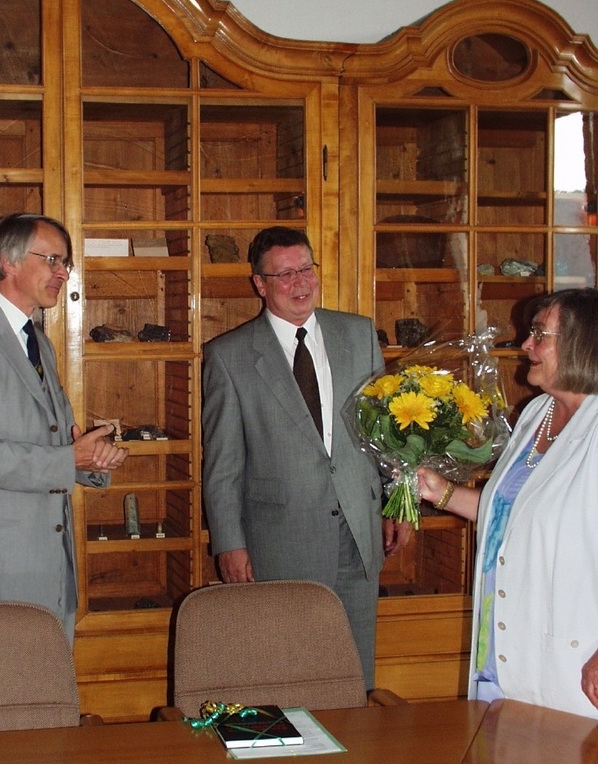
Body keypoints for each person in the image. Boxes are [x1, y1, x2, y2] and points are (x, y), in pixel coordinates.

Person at [201, 225, 411, 690]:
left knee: (355, 671)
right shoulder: (229, 357)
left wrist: (401, 502)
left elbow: (388, 433)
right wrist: (228, 542)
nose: (301, 283)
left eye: (306, 269)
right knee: (286, 671)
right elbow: (223, 464)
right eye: (285, 275)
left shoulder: (358, 335)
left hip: (358, 533)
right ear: (259, 283)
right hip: (279, 542)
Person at [0, 213, 129, 642]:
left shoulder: (37, 340)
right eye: (52, 259)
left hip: (48, 562)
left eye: (65, 262)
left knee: (45, 692)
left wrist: (93, 458)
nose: (63, 272)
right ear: (7, 261)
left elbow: (61, 438)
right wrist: (68, 458)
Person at [418, 287, 598, 718]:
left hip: (572, 661)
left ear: (581, 342)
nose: (526, 345)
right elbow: (511, 516)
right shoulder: (538, 413)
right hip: (501, 647)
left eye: (540, 334)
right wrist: (438, 491)